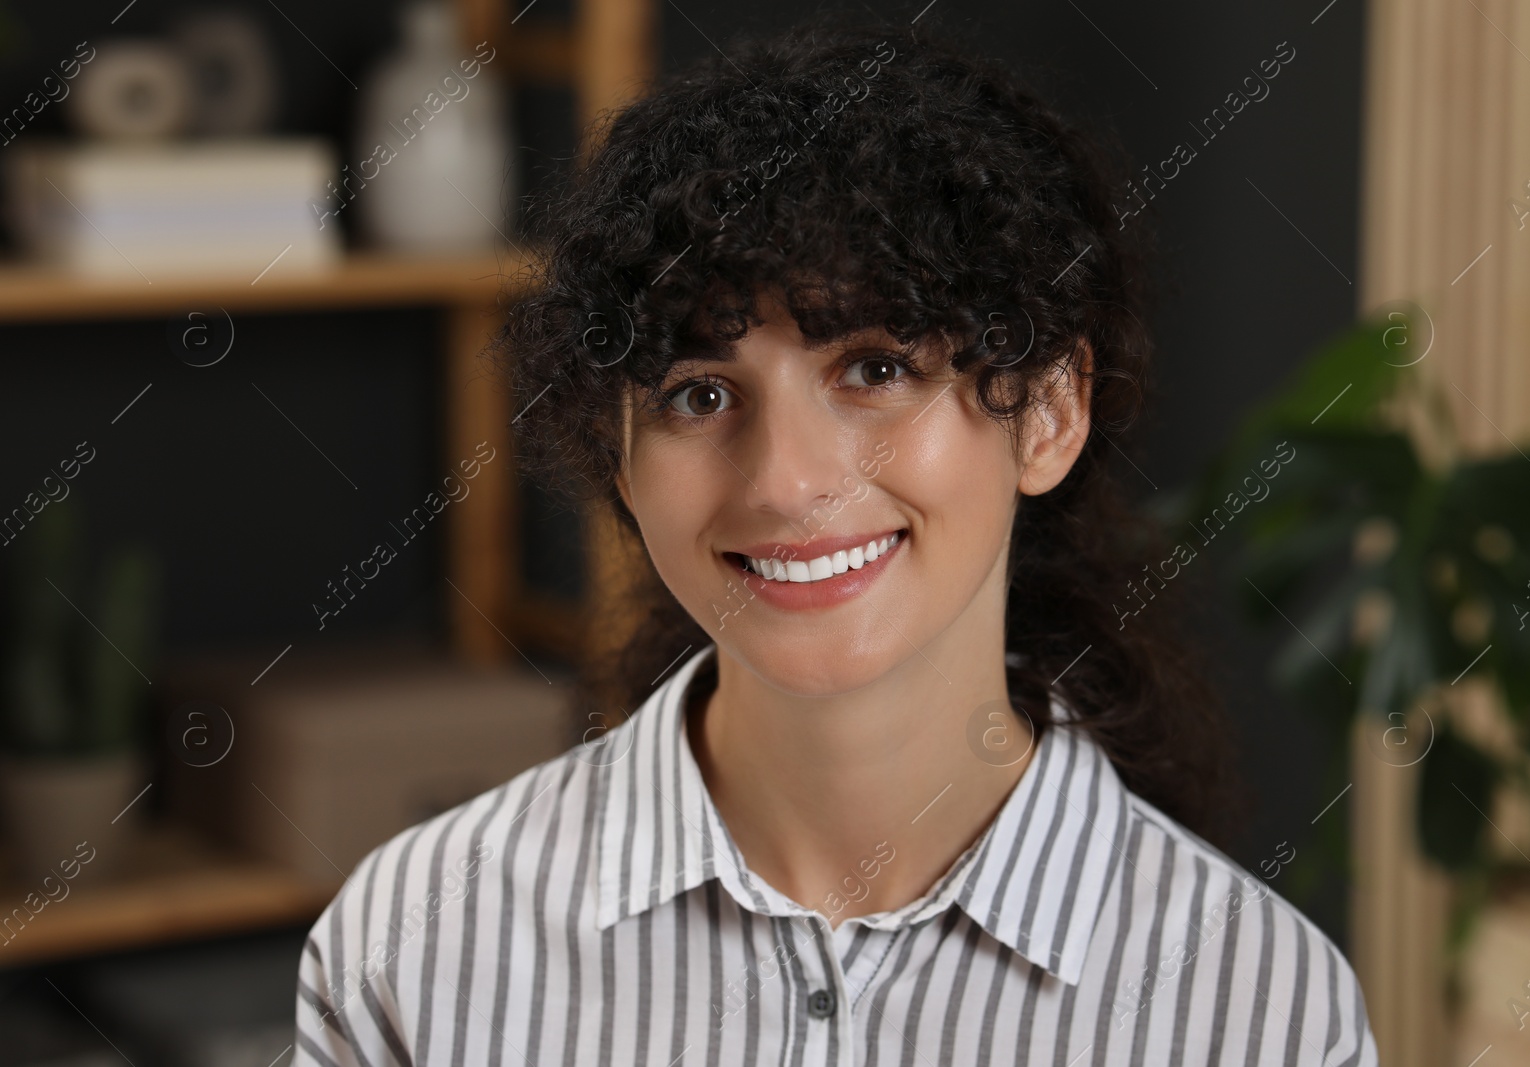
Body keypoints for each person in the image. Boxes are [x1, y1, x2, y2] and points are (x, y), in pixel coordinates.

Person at [294, 13, 1377, 1066]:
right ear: (617, 454)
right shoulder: (412, 951)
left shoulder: (1259, 1008)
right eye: (699, 392)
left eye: (875, 368)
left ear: (1046, 409)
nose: (786, 481)